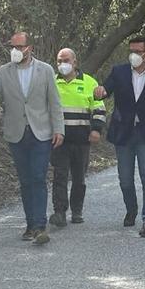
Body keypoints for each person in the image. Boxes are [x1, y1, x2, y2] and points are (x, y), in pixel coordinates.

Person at [0, 32, 64, 245]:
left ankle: (39, 225)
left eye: (20, 46)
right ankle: (30, 224)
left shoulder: (45, 70)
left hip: (41, 132)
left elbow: (55, 102)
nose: (16, 50)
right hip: (16, 132)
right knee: (26, 180)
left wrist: (59, 129)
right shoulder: (3, 72)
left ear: (30, 48)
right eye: (13, 46)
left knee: (38, 177)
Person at [94, 36, 145, 238]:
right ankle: (131, 209)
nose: (133, 55)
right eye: (131, 50)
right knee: (125, 179)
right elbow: (105, 89)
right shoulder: (119, 72)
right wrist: (100, 91)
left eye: (138, 51)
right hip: (124, 133)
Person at [49, 48, 106, 226]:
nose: (62, 64)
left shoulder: (89, 82)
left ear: (75, 62)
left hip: (82, 140)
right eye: (59, 61)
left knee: (79, 178)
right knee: (59, 176)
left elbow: (99, 108)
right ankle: (59, 212)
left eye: (66, 60)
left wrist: (96, 130)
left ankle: (77, 210)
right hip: (59, 139)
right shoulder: (51, 82)